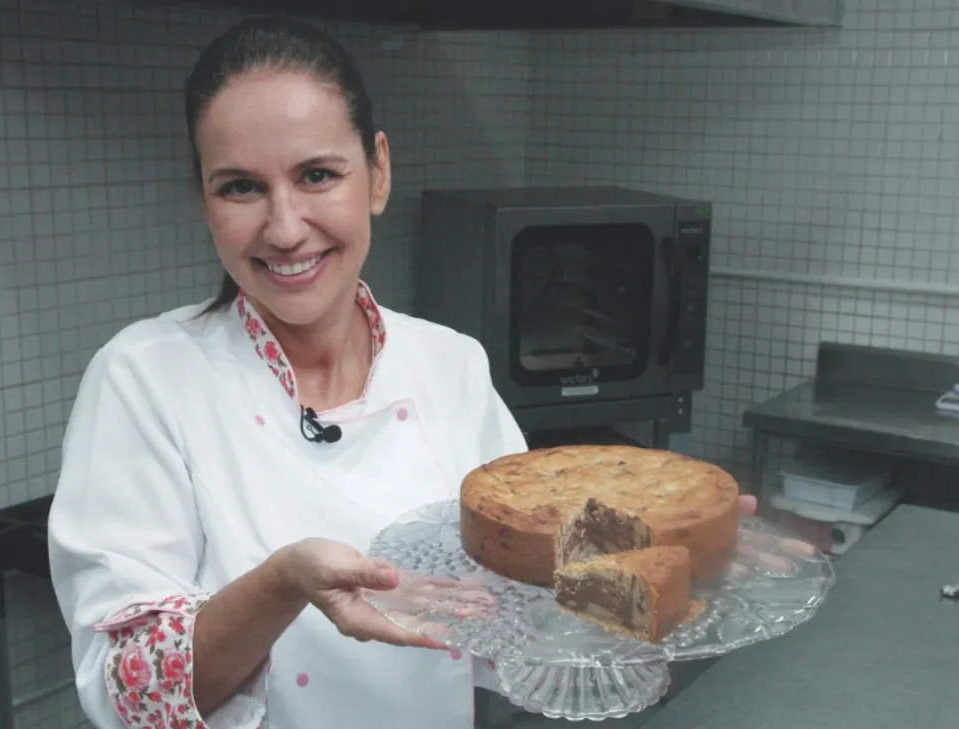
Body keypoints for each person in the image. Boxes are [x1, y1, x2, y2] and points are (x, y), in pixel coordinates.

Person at [47, 15, 757, 729]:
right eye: (240, 187)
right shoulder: (144, 380)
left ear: (378, 172)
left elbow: (529, 598)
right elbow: (128, 693)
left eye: (317, 175)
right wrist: (282, 584)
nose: (286, 227)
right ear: (204, 198)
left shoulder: (448, 364)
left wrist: (670, 550)